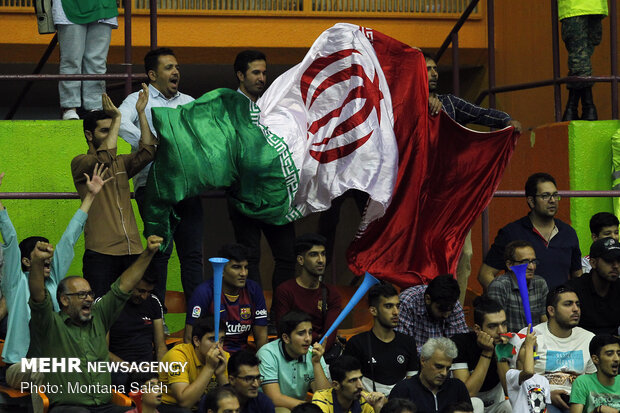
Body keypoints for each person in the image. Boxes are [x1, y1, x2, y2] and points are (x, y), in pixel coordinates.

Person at [424, 53, 522, 306]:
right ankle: (425, 309)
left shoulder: (451, 104)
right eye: (427, 69)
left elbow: (480, 114)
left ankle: (454, 310)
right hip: (419, 199)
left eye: (435, 69)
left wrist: (506, 122)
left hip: (455, 198)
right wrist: (422, 104)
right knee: (425, 257)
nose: (434, 73)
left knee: (464, 254)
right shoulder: (403, 106)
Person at [0, 165, 109, 389]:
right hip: (18, 366)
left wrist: (90, 196)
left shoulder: (54, 280)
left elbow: (69, 237)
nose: (48, 255)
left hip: (52, 362)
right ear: (26, 262)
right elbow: (10, 238)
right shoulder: (15, 282)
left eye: (49, 251)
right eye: (40, 251)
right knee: (51, 374)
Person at [27, 234, 162, 412]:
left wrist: (148, 253)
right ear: (65, 300)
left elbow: (124, 285)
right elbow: (38, 296)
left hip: (104, 406)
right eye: (82, 294)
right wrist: (37, 262)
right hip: (68, 407)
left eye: (90, 293)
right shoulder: (50, 324)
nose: (89, 299)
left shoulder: (99, 317)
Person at [119, 47, 202, 304]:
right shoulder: (138, 99)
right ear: (153, 74)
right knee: (159, 253)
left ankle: (196, 317)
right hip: (153, 187)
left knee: (192, 255)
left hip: (187, 188)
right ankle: (157, 316)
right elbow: (119, 122)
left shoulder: (189, 102)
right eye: (169, 67)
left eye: (177, 67)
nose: (176, 71)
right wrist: (150, 145)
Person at [71, 90, 156, 298]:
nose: (112, 135)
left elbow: (148, 150)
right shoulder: (81, 162)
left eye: (113, 131)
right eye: (105, 131)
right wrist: (118, 117)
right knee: (100, 313)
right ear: (89, 135)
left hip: (133, 250)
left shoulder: (121, 163)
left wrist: (141, 113)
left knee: (136, 311)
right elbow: (104, 158)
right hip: (102, 253)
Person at [230, 49, 296, 291]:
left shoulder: (273, 107)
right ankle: (256, 315)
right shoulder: (228, 108)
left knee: (287, 256)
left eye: (264, 73)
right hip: (243, 195)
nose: (261, 78)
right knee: (250, 259)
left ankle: (281, 315)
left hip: (275, 194)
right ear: (240, 75)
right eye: (255, 72)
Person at [479, 172, 582, 291]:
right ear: (531, 201)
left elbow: (577, 276)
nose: (553, 200)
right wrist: (508, 301)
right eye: (545, 196)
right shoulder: (511, 233)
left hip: (558, 307)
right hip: (525, 308)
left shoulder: (568, 233)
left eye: (555, 195)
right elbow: (485, 274)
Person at [516, 285, 596, 413]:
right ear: (551, 311)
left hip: (579, 402)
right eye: (568, 304)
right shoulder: (531, 336)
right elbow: (518, 382)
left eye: (577, 304)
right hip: (540, 400)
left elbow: (593, 382)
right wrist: (547, 395)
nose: (576, 309)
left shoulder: (589, 339)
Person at [185, 243, 268, 353]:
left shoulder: (253, 290)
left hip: (241, 360)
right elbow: (189, 338)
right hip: (212, 357)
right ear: (222, 270)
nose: (243, 273)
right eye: (236, 267)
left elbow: (262, 338)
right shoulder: (204, 292)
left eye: (246, 267)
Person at [344, 283, 418, 395]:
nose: (396, 312)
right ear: (373, 310)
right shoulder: (357, 343)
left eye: (397, 306)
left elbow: (412, 384)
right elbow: (347, 383)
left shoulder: (408, 342)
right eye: (388, 306)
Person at [272, 234, 342, 351]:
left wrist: (319, 345)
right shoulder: (285, 290)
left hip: (321, 354)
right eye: (314, 255)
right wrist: (318, 335)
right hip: (292, 353)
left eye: (323, 254)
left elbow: (330, 335)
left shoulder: (331, 293)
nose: (321, 260)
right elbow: (284, 331)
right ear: (301, 260)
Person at [53, 0, 117, 120]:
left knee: (97, 61)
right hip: (69, 6)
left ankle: (95, 107)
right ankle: (70, 107)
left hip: (103, 6)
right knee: (71, 60)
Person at [257, 311, 331, 410]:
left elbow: (325, 398)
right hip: (270, 408)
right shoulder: (267, 354)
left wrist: (316, 363)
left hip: (300, 408)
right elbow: (274, 399)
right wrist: (309, 408)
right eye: (301, 333)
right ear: (286, 338)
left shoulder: (314, 354)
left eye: (310, 332)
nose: (308, 339)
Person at [450, 296, 511, 413]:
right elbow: (467, 394)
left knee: (510, 404)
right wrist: (487, 352)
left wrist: (500, 353)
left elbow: (510, 391)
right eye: (493, 326)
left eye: (504, 324)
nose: (501, 331)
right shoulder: (460, 343)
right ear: (477, 329)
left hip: (495, 404)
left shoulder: (507, 342)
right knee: (476, 403)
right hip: (468, 406)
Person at [108, 271, 167, 388]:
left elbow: (160, 346)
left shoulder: (153, 302)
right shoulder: (109, 303)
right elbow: (102, 351)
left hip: (147, 368)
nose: (144, 296)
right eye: (141, 291)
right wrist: (131, 368)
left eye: (149, 292)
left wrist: (160, 369)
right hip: (119, 367)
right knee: (120, 379)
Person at [159, 316, 229, 412]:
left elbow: (232, 402)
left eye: (221, 340)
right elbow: (185, 403)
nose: (218, 346)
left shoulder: (224, 357)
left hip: (202, 407)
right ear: (196, 341)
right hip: (170, 407)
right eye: (212, 339)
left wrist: (220, 375)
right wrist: (209, 368)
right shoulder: (178, 356)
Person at [389, 337, 472, 413]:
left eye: (448, 368)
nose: (444, 373)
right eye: (439, 366)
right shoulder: (402, 390)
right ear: (423, 361)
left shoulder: (458, 388)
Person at [558, 0, 608, 121]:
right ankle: (587, 107)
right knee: (581, 58)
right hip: (595, 7)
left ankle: (574, 107)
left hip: (575, 8)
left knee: (580, 59)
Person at [395, 274, 468, 354]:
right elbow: (402, 346)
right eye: (442, 309)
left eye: (450, 310)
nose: (446, 315)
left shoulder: (451, 303)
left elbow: (461, 345)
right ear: (428, 299)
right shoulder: (407, 303)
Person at [487, 240, 549, 333]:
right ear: (509, 265)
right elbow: (496, 325)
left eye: (533, 261)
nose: (532, 267)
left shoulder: (540, 283)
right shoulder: (499, 286)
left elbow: (544, 319)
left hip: (536, 341)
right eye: (525, 262)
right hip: (509, 343)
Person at [567, 237, 620, 335]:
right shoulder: (573, 290)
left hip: (613, 346)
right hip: (580, 346)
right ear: (593, 263)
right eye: (609, 260)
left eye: (619, 260)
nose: (616, 266)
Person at [311, 355, 387, 413]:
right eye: (352, 380)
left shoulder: (365, 400)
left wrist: (378, 409)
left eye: (360, 378)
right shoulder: (322, 400)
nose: (360, 385)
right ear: (336, 385)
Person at [569, 334, 620, 413]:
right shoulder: (583, 382)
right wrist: (597, 411)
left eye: (619, 354)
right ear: (596, 359)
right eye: (610, 354)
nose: (616, 359)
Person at [506, 327, 551, 413]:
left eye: (534, 348)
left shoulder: (543, 380)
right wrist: (529, 345)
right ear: (516, 355)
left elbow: (545, 408)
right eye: (525, 347)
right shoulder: (511, 374)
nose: (531, 351)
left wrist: (529, 345)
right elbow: (528, 371)